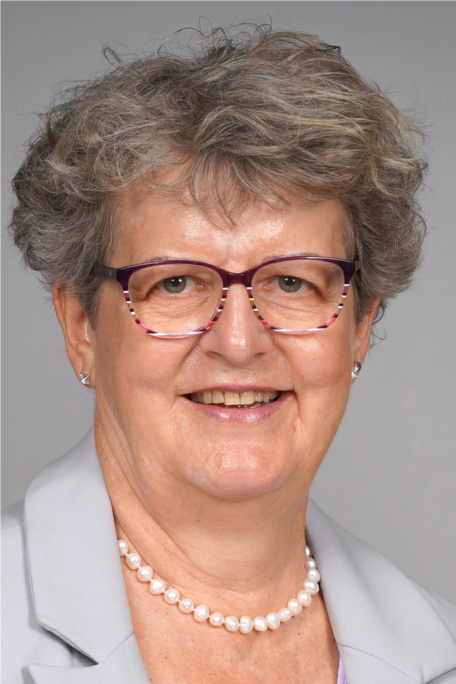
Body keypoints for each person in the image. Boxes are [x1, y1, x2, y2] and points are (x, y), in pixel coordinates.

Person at [1, 24, 455, 684]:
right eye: (175, 284)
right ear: (81, 327)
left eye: (292, 283)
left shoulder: (440, 647)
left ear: (359, 326)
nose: (239, 343)